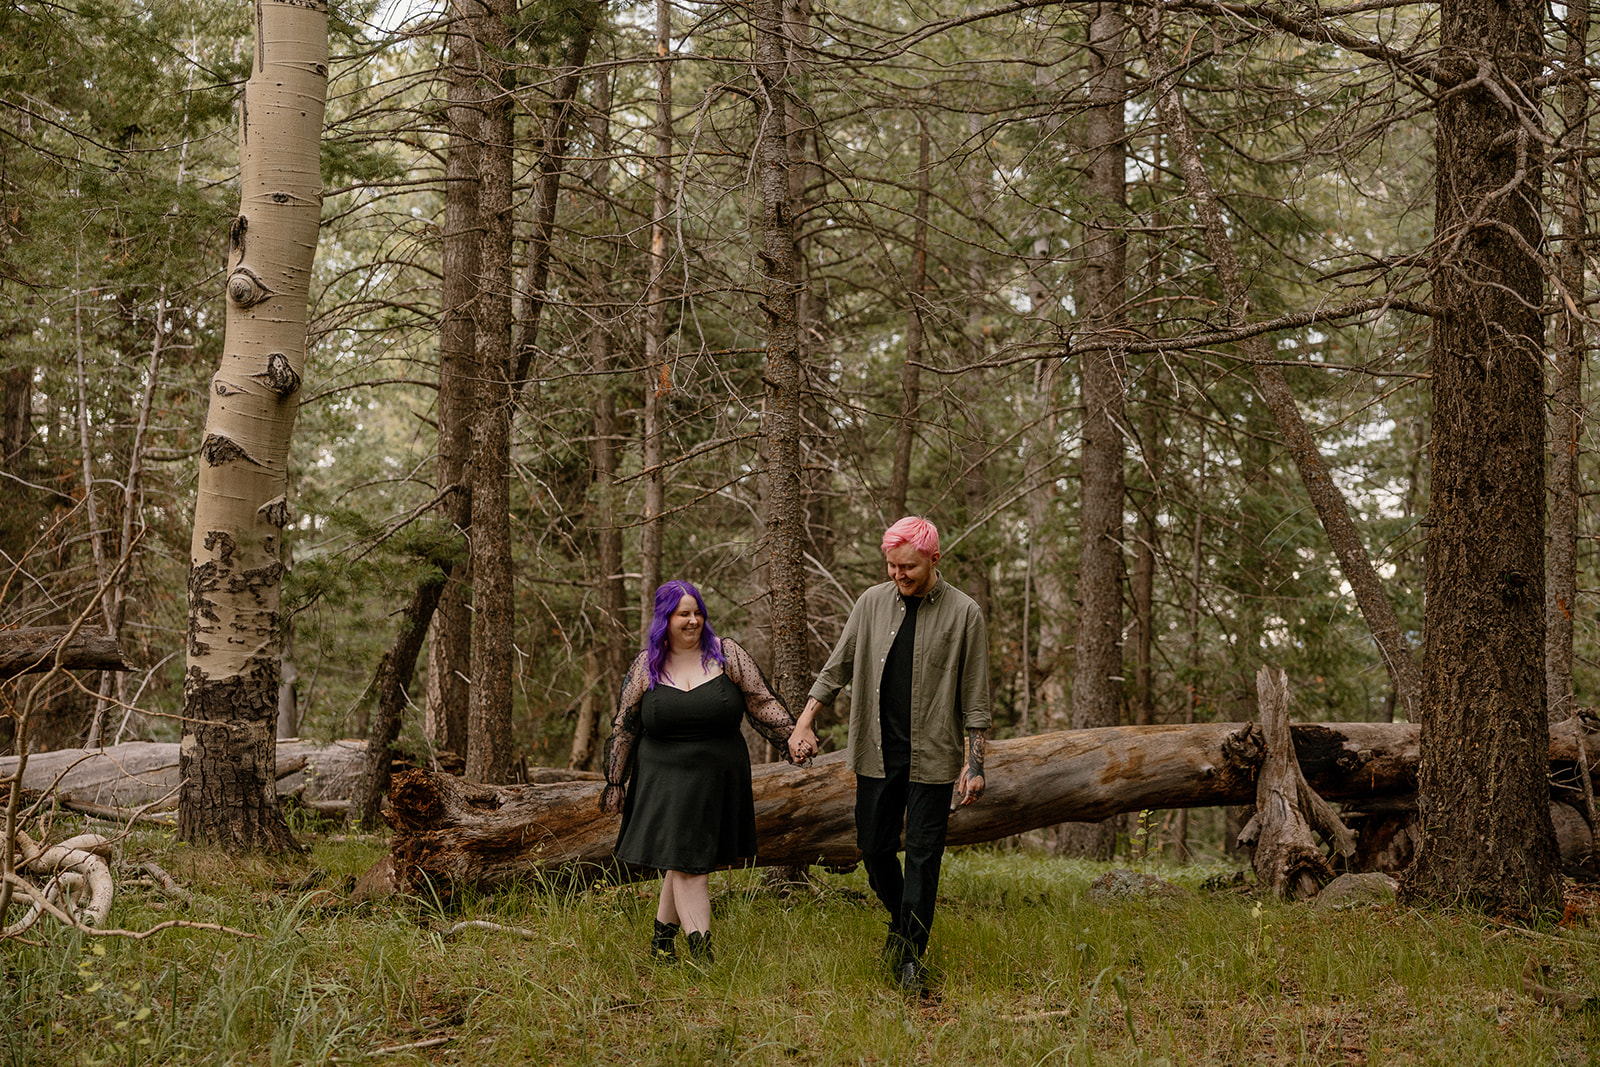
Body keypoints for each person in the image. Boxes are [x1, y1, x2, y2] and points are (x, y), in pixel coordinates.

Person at [787, 516, 990, 993]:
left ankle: (909, 957)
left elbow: (975, 698)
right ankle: (903, 928)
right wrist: (805, 720)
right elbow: (836, 667)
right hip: (876, 751)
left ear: (934, 560)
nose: (898, 575)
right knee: (874, 849)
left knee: (924, 855)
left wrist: (974, 763)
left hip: (934, 758)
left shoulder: (965, 614)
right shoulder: (871, 603)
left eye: (908, 568)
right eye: (892, 566)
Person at [600, 580, 808, 966]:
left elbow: (761, 702)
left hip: (718, 776)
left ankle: (662, 947)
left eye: (698, 612)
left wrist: (791, 737)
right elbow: (625, 725)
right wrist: (616, 780)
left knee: (682, 860)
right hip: (663, 778)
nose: (693, 620)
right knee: (689, 865)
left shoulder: (726, 655)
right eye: (683, 614)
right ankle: (702, 956)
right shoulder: (647, 666)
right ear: (666, 619)